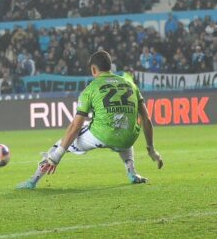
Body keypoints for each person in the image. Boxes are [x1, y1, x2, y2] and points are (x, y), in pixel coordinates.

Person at [17, 50, 163, 189]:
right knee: (123, 125)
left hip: (102, 135)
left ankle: (33, 181)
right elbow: (146, 119)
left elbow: (75, 126)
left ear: (94, 70)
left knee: (58, 146)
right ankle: (132, 173)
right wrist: (151, 149)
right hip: (129, 138)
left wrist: (57, 156)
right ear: (110, 66)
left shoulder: (90, 89)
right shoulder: (131, 85)